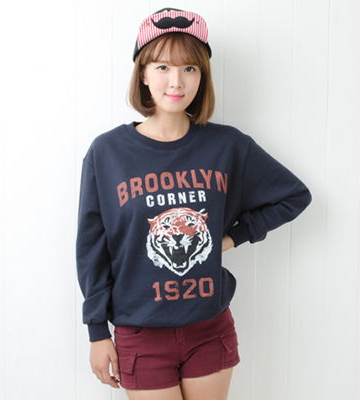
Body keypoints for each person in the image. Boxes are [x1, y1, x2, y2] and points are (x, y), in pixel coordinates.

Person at [76, 7, 311, 400]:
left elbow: (293, 195)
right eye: (163, 67)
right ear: (143, 74)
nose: (176, 81)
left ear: (202, 76)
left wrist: (231, 238)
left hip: (209, 327)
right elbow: (91, 248)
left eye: (190, 68)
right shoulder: (107, 153)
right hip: (141, 330)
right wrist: (97, 331)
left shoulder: (228, 146)